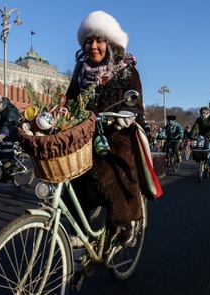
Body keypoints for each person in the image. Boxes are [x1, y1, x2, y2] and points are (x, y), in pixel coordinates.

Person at [65, 10, 158, 249]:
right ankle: (80, 224)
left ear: (111, 44)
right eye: (88, 41)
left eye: (99, 40)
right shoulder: (80, 73)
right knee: (72, 174)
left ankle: (128, 221)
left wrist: (127, 115)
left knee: (115, 168)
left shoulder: (127, 70)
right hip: (86, 133)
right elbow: (70, 101)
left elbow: (136, 104)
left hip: (116, 132)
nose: (93, 46)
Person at [190, 106, 210, 175]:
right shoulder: (199, 119)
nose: (203, 114)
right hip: (202, 135)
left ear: (207, 113)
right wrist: (192, 135)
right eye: (201, 113)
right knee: (199, 148)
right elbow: (195, 127)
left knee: (209, 150)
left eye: (204, 113)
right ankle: (200, 160)